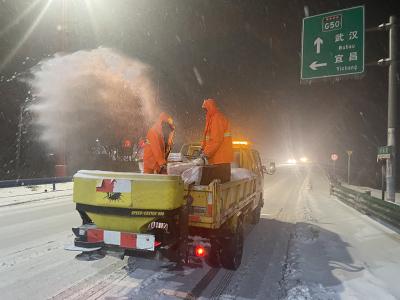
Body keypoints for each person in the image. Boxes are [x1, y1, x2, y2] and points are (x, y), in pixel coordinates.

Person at [201, 98, 233, 183]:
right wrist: (202, 148)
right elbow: (208, 138)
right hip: (218, 162)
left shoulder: (216, 119)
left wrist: (205, 153)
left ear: (209, 108)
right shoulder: (212, 119)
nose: (204, 112)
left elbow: (216, 140)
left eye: (205, 109)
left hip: (220, 162)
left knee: (214, 189)